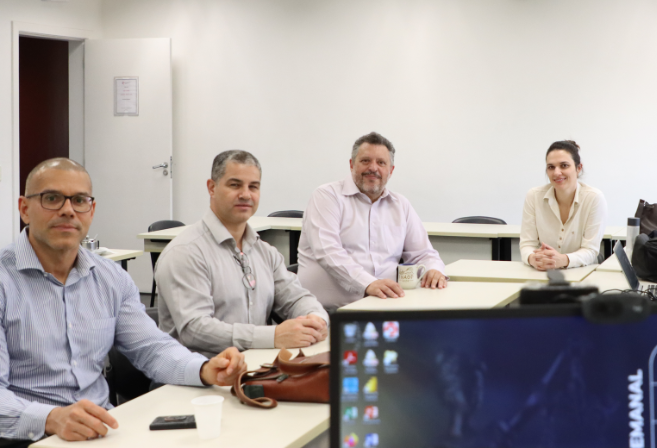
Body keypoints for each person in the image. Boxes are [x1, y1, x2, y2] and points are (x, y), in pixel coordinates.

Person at [0, 158, 245, 445]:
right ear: (24, 209)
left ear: (91, 210)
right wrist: (51, 418)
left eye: (79, 200)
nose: (68, 210)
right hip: (26, 439)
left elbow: (151, 349)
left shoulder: (110, 277)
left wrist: (203, 370)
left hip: (103, 431)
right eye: (51, 198)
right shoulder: (5, 282)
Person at [156, 150, 328, 358]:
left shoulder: (265, 252)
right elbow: (195, 329)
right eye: (235, 185)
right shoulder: (185, 253)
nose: (246, 194)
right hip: (201, 372)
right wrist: (273, 336)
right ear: (212, 188)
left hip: (257, 367)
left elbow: (296, 297)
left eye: (253, 187)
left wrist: (316, 319)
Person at [296, 132, 446, 310]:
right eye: (365, 161)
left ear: (391, 170)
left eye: (381, 163)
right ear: (352, 165)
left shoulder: (400, 205)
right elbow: (328, 252)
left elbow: (423, 254)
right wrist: (368, 284)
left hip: (384, 305)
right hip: (325, 311)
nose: (373, 168)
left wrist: (434, 270)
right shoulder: (327, 196)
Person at [520, 140, 608, 270]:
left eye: (564, 166)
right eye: (551, 167)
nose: (556, 173)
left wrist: (564, 260)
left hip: (582, 272)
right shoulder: (534, 196)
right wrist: (533, 258)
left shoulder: (594, 198)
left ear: (578, 168)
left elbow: (590, 250)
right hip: (543, 272)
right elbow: (527, 244)